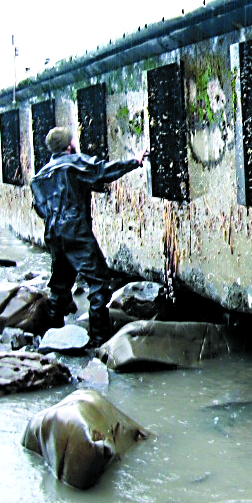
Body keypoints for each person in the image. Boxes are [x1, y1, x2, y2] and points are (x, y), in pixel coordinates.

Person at [31, 126, 148, 346]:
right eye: (72, 140)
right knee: (98, 281)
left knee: (60, 283)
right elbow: (101, 170)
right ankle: (99, 339)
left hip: (53, 233)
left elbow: (39, 208)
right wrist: (135, 161)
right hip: (74, 229)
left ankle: (52, 335)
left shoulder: (40, 176)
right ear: (68, 145)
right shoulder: (72, 163)